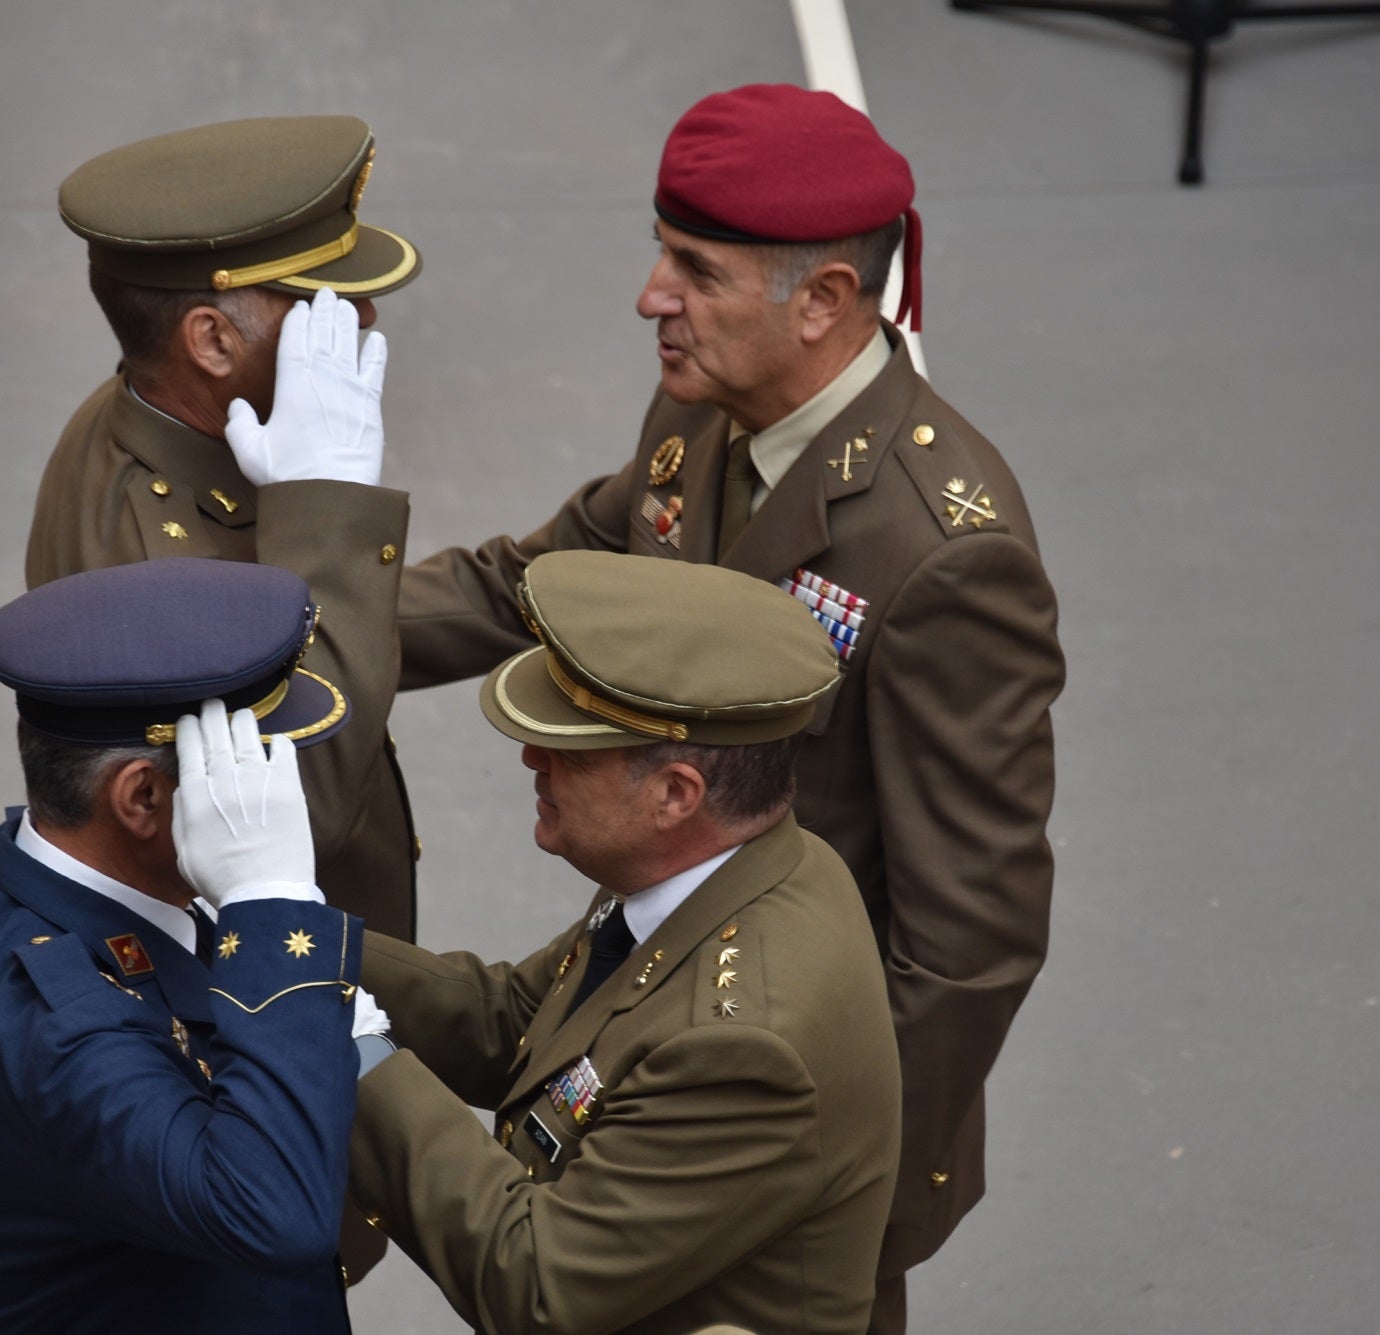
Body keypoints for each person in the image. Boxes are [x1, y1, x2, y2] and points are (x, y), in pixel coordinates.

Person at [396, 84, 1066, 1331]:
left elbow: (965, 945)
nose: (653, 295)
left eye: (695, 269)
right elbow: (542, 581)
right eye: (662, 254)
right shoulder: (705, 408)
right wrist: (288, 628)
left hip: (782, 1124)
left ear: (818, 301)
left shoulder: (941, 551)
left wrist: (840, 1202)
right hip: (660, 1022)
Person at [349, 551, 902, 1334]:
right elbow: (518, 1019)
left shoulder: (743, 1048)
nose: (531, 758)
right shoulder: (726, 868)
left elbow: (537, 1283)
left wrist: (355, 1053)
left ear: (678, 794)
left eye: (570, 750)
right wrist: (298, 937)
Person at [0, 557, 395, 1333]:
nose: (276, 791)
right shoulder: (66, 1033)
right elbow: (274, 1211)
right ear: (142, 796)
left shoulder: (12, 864)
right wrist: (267, 902)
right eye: (243, 766)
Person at [24, 116, 422, 945]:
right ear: (210, 340)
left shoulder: (156, 416)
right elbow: (303, 806)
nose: (367, 317)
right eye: (326, 302)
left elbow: (306, 613)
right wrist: (331, 499)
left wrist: (527, 585)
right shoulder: (156, 580)